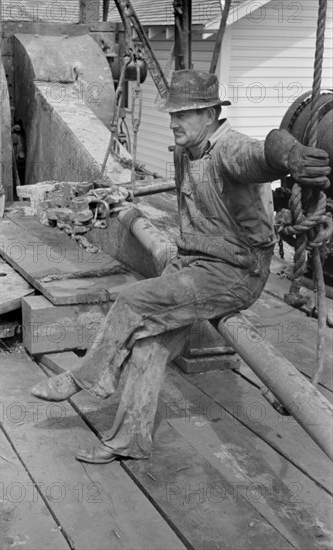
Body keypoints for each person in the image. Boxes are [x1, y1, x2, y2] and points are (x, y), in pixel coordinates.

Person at [31, 70, 331, 464]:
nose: (172, 122)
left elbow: (264, 154)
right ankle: (129, 441)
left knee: (134, 301)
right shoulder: (184, 152)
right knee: (150, 347)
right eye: (171, 114)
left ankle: (88, 377)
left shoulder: (229, 150)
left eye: (183, 114)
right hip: (194, 266)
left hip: (235, 274)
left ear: (209, 114)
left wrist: (289, 154)